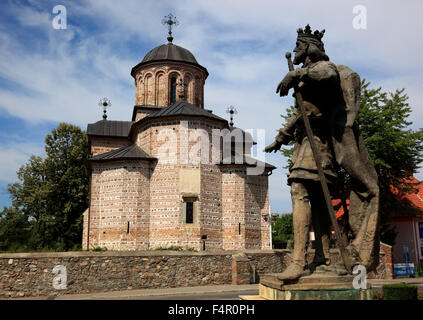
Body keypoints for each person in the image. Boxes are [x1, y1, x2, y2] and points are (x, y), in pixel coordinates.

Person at [265, 25, 380, 281]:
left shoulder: (325, 69)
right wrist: (280, 138)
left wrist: (297, 74)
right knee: (318, 202)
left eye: (298, 46)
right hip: (305, 142)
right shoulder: (309, 76)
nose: (295, 51)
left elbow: (327, 75)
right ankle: (323, 258)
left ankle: (298, 262)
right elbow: (302, 113)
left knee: (299, 191)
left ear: (308, 48)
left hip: (317, 144)